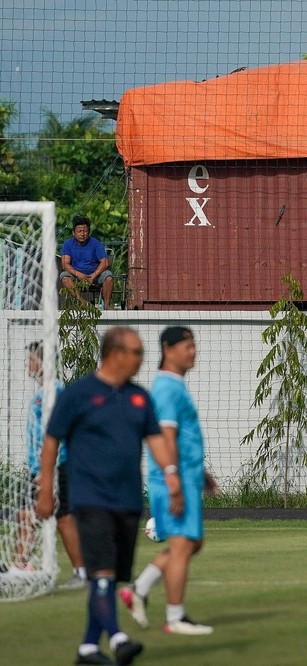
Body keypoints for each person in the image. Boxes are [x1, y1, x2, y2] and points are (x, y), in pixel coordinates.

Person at [36, 326, 183, 666]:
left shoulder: (139, 397)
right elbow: (51, 441)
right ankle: (117, 638)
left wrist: (172, 474)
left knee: (110, 578)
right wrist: (47, 489)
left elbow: (156, 439)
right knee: (101, 572)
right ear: (115, 354)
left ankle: (88, 648)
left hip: (128, 500)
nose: (141, 358)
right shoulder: (79, 395)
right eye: (136, 352)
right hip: (90, 499)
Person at [120, 327, 218, 635]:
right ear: (168, 349)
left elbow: (182, 437)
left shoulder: (174, 386)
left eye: (194, 345)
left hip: (184, 477)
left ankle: (139, 589)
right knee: (181, 545)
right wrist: (173, 478)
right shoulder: (166, 389)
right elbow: (164, 437)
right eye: (187, 346)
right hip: (172, 480)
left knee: (192, 543)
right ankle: (175, 619)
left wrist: (200, 473)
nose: (193, 351)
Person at [14, 341, 87, 587]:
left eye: (32, 359)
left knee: (42, 516)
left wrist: (48, 472)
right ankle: (22, 564)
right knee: (49, 516)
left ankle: (21, 565)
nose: (28, 364)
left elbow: (56, 434)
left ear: (43, 363)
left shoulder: (51, 393)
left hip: (53, 467)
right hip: (45, 467)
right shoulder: (43, 393)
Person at [60, 215, 114, 309]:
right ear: (74, 232)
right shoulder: (67, 244)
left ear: (88, 232)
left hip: (95, 276)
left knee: (108, 276)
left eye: (85, 231)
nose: (82, 234)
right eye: (79, 231)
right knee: (64, 277)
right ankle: (81, 302)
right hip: (76, 276)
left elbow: (105, 262)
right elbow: (65, 264)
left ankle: (107, 305)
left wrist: (93, 276)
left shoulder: (96, 243)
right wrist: (78, 274)